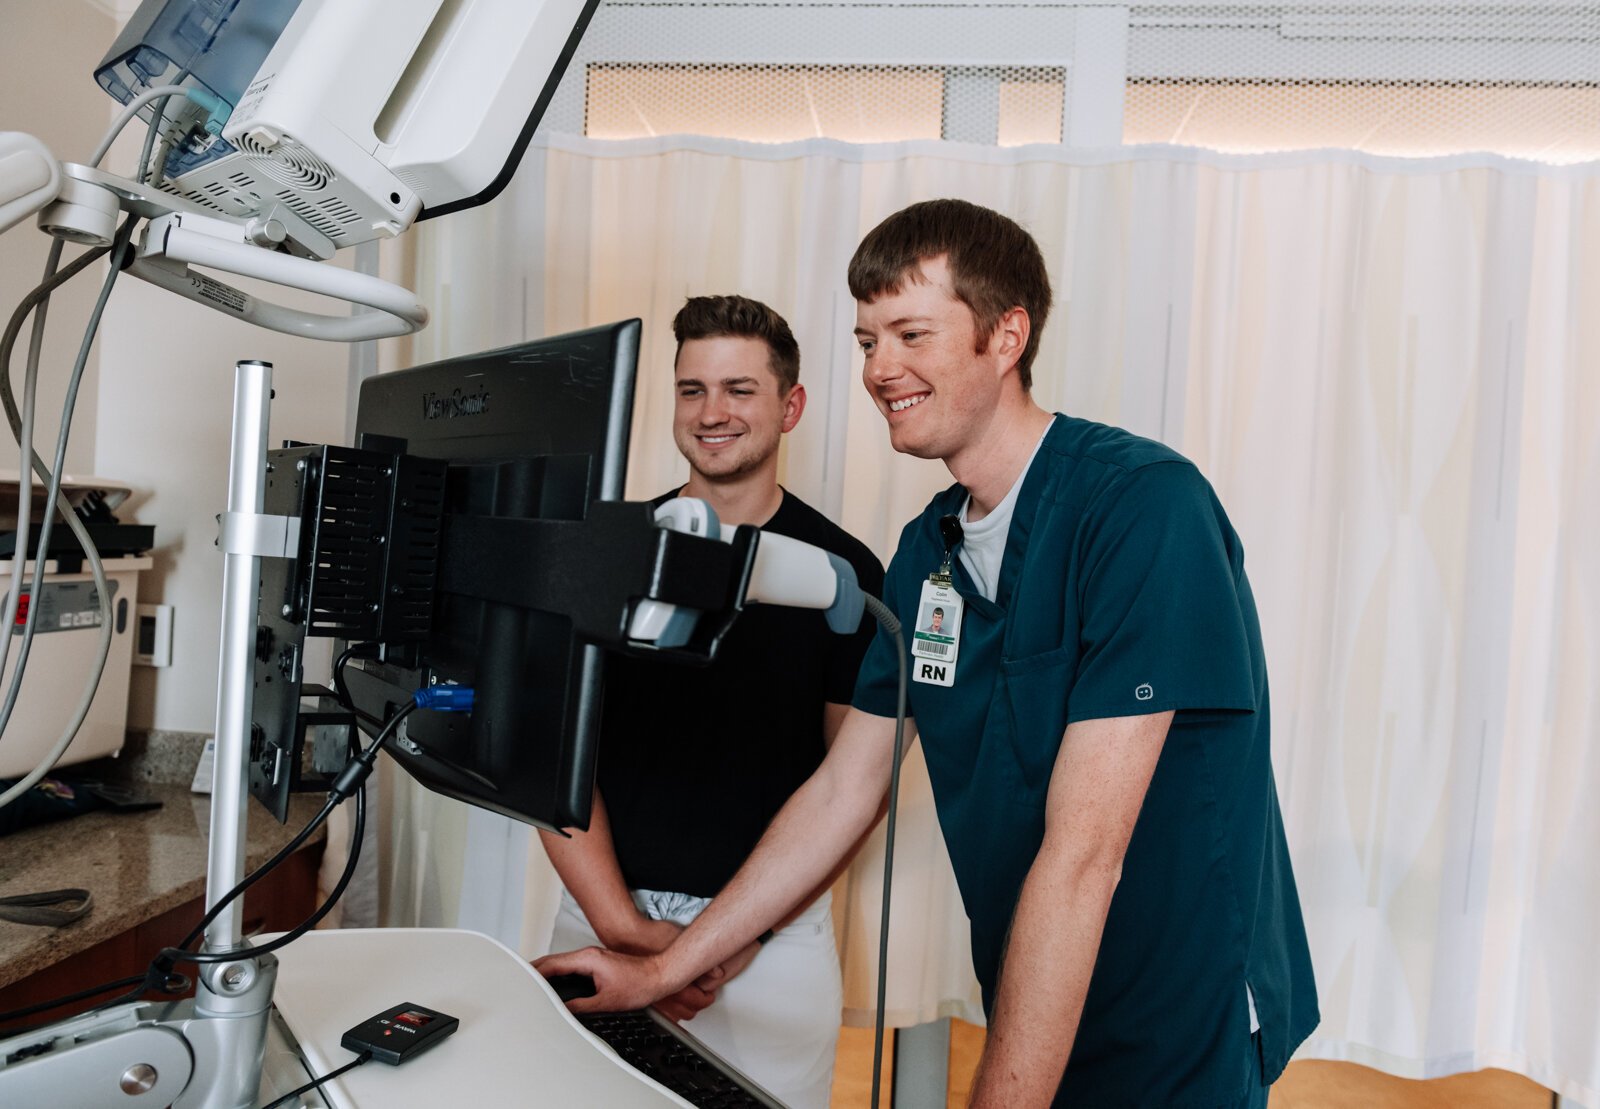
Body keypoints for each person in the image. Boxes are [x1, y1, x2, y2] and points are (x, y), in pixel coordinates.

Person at [538, 201, 1319, 1107]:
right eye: (868, 339)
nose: (879, 368)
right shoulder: (926, 552)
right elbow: (844, 788)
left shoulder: (1145, 509)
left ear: (1007, 335)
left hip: (1177, 1009)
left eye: (911, 332)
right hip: (1033, 990)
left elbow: (1084, 853)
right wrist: (667, 965)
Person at [537, 294, 884, 1109]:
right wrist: (625, 927)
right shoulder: (604, 552)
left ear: (789, 406)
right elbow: (552, 764)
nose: (712, 411)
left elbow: (847, 788)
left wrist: (725, 941)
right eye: (692, 389)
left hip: (769, 945)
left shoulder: (846, 577)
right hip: (600, 914)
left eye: (739, 389)